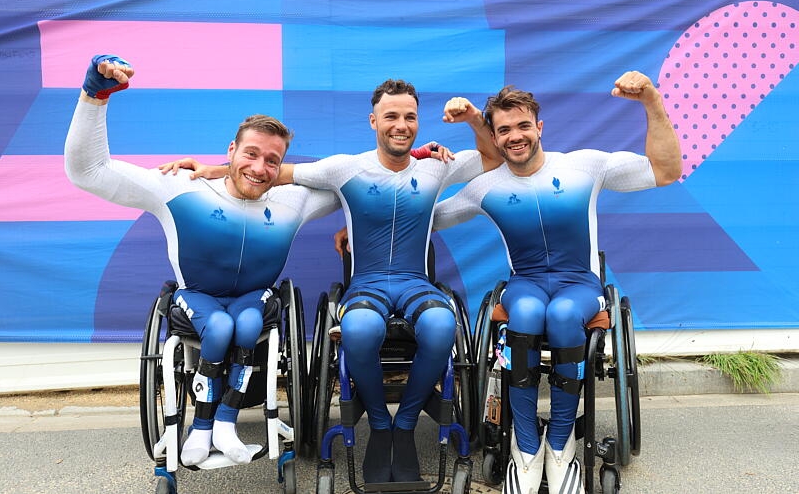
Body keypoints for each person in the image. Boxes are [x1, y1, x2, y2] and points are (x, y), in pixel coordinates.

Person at [159, 79, 503, 483]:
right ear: (374, 121)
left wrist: (473, 118)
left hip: (416, 281)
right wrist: (212, 169)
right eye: (391, 116)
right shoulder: (345, 167)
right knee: (358, 328)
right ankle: (378, 425)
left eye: (409, 117)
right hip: (368, 284)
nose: (401, 124)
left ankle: (405, 425)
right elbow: (274, 174)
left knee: (443, 324)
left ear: (418, 122)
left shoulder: (437, 166)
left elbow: (494, 156)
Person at [64, 55, 340, 467]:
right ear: (231, 149)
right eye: (250, 154)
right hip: (199, 300)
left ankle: (226, 425)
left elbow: (353, 180)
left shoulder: (293, 199)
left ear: (283, 168)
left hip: (253, 301)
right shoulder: (179, 185)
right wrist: (95, 94)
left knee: (246, 322)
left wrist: (416, 156)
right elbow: (87, 171)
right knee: (225, 324)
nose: (260, 167)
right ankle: (202, 427)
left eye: (272, 161)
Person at [431, 71, 680, 494]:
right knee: (526, 312)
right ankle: (526, 448)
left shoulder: (584, 166)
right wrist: (359, 230)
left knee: (564, 315)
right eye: (504, 129)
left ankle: (561, 445)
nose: (515, 136)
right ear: (493, 137)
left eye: (523, 126)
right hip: (526, 283)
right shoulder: (484, 187)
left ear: (539, 128)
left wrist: (651, 101)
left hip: (579, 285)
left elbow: (666, 169)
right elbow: (425, 220)